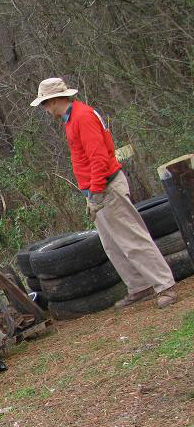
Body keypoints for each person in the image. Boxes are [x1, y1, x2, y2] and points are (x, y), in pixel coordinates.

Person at [31, 77, 178, 309]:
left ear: (54, 100)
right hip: (96, 190)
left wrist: (97, 192)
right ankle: (139, 286)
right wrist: (91, 194)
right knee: (112, 244)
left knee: (133, 239)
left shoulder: (82, 116)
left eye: (44, 104)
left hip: (106, 187)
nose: (45, 109)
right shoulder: (71, 120)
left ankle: (164, 285)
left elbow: (98, 157)